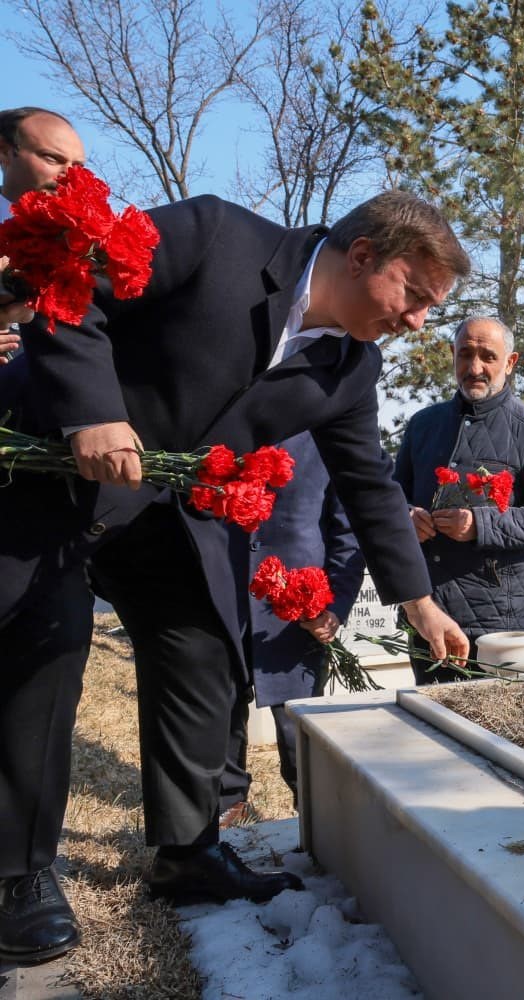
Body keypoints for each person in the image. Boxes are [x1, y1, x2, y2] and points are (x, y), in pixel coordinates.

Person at [0, 189, 472, 966]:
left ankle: (188, 854)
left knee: (202, 644)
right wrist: (92, 411)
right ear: (362, 256)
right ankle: (17, 874)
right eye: (415, 295)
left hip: (164, 508)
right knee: (48, 644)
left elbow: (367, 482)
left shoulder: (352, 366)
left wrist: (418, 600)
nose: (420, 321)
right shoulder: (217, 237)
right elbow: (70, 287)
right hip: (46, 467)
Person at [394, 316, 524, 683]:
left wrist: (481, 524)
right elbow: (391, 498)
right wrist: (406, 516)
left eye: (488, 356)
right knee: (430, 716)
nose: (474, 368)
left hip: (499, 625)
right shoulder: (423, 425)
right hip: (429, 613)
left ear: (510, 362)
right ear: (452, 355)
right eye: (465, 354)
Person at [220, 431, 365, 823]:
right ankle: (227, 806)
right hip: (225, 594)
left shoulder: (323, 434)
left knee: (297, 725)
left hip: (297, 609)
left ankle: (315, 814)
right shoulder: (224, 423)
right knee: (221, 708)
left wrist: (334, 606)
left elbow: (347, 534)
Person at [0, 107, 87, 406]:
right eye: (52, 158)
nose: (68, 176)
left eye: (78, 166)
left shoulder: (91, 244)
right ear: (5, 152)